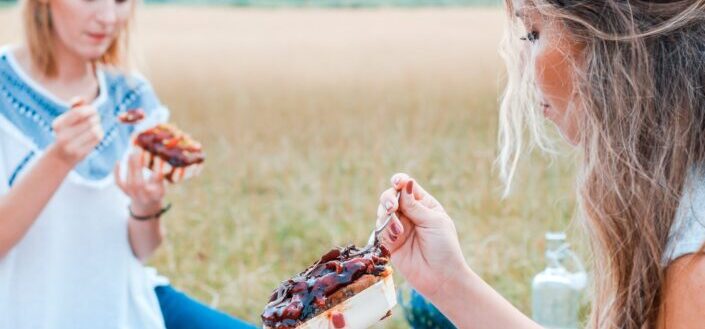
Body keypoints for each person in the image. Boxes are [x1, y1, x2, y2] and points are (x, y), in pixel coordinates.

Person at [334, 0, 705, 328]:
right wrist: (447, 282)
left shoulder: (695, 270)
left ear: (613, 39)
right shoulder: (680, 204)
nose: (524, 69)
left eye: (532, 32)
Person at [0, 0, 253, 328]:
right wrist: (59, 158)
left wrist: (146, 205)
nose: (107, 18)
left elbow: (142, 249)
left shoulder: (133, 96)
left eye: (120, 1)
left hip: (126, 303)